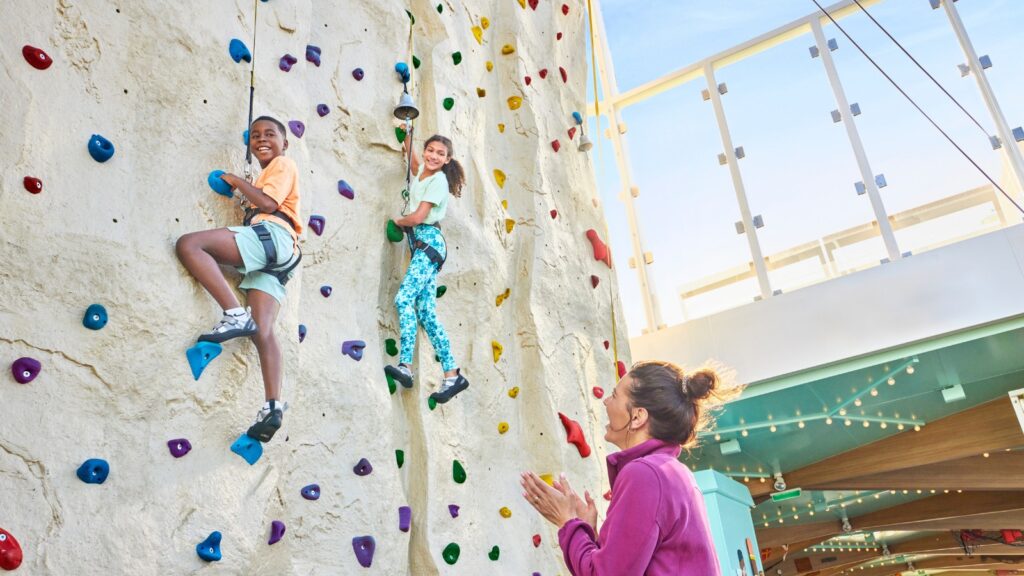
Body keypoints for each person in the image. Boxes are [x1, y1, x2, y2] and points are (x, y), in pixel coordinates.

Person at [521, 360, 730, 575]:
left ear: (638, 417)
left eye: (614, 395)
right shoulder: (671, 471)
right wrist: (588, 534)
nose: (605, 401)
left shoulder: (645, 474)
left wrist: (567, 520)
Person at [175, 115, 301, 442]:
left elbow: (269, 203)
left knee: (190, 244)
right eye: (255, 135)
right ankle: (272, 405)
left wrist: (235, 180)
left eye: (270, 134)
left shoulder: (283, 165)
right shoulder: (270, 172)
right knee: (263, 330)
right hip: (281, 256)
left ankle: (233, 313)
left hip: (271, 235)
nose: (261, 139)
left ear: (284, 144)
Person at [384, 133, 470, 404]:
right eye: (430, 150)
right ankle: (453, 374)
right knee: (426, 313)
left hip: (428, 242)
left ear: (448, 160)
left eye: (440, 153)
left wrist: (399, 222)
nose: (433, 156)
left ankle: (405, 366)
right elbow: (413, 163)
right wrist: (408, 131)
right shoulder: (424, 172)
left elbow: (419, 217)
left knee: (403, 298)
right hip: (426, 246)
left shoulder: (438, 181)